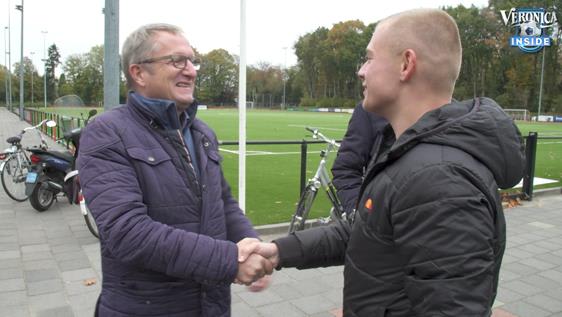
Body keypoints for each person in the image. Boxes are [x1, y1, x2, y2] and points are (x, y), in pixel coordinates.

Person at [240, 8, 525, 316]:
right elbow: (368, 230)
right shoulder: (410, 154)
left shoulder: (439, 180)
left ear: (406, 64)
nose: (361, 71)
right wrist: (280, 250)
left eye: (369, 58)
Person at [78, 23, 272, 317]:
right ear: (139, 73)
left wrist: (253, 246)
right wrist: (231, 260)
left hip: (212, 306)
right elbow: (127, 233)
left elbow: (223, 203)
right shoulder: (106, 133)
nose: (191, 70)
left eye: (193, 61)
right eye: (177, 61)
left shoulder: (201, 132)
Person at [331, 103, 386, 215]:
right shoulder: (369, 110)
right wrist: (359, 213)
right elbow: (345, 169)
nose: (364, 84)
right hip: (378, 224)